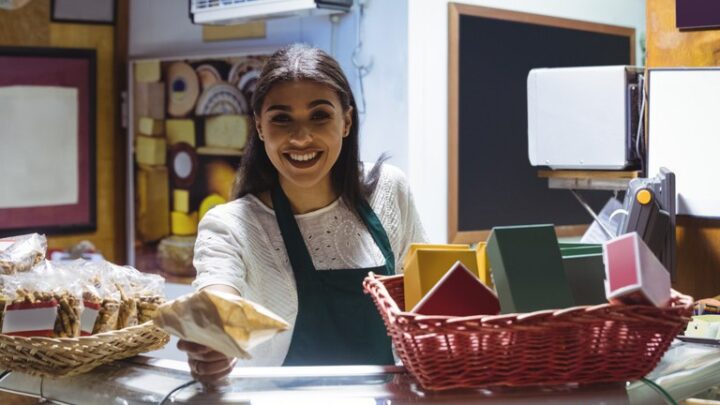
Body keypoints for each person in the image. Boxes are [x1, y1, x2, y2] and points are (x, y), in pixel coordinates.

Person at [178, 44, 427, 383]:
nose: (301, 137)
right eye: (282, 119)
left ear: (346, 121)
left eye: (319, 115)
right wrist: (214, 341)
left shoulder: (389, 190)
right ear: (260, 127)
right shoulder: (232, 225)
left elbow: (427, 295)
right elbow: (218, 295)